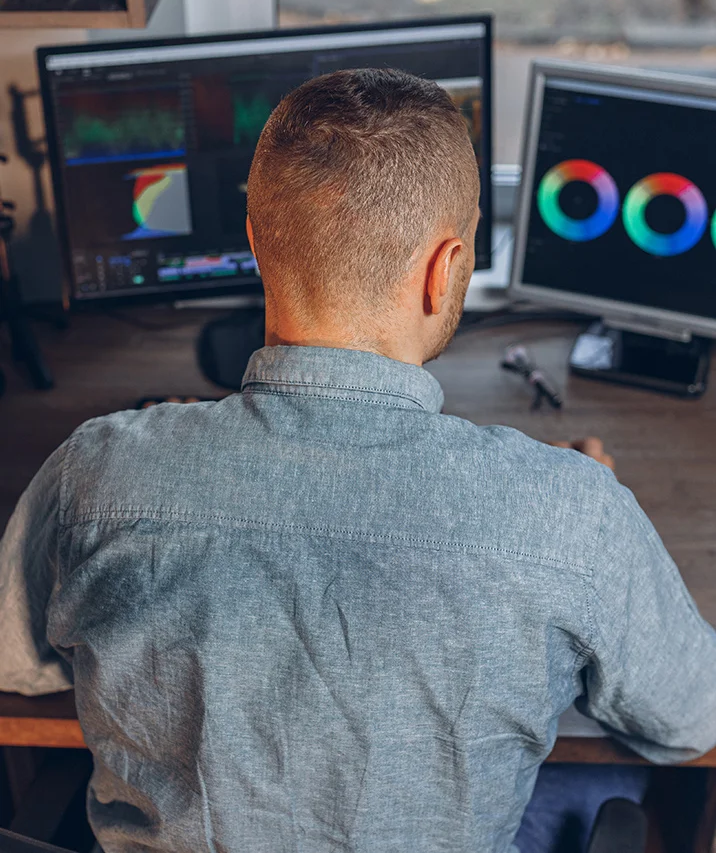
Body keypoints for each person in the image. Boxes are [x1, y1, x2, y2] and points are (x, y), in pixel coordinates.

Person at [1, 68, 715, 853]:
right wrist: (582, 508)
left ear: (255, 241)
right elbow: (690, 719)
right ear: (447, 270)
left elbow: (18, 665)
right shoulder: (573, 513)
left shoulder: (93, 473)